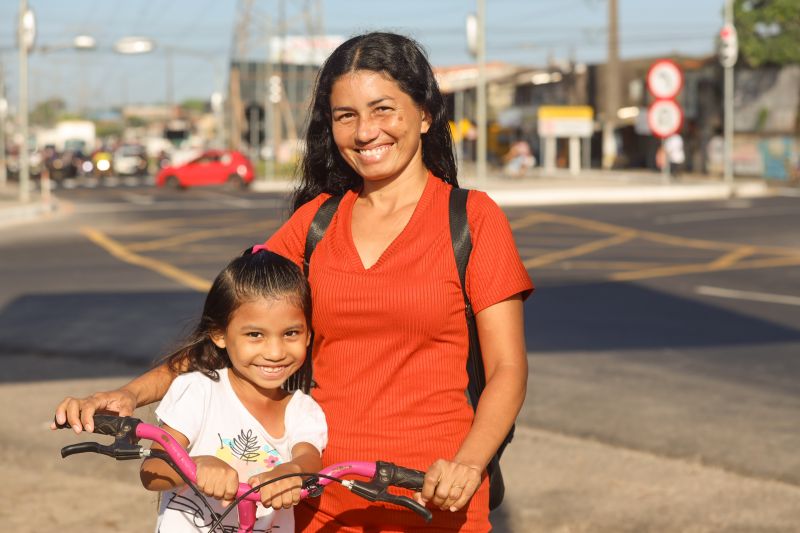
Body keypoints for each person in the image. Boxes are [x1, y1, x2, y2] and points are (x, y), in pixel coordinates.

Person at [52, 31, 533, 532]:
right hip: (314, 494)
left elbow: (506, 368)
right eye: (346, 116)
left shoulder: (473, 220)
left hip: (434, 493)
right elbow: (236, 333)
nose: (366, 132)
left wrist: (470, 463)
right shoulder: (314, 225)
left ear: (425, 113)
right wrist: (132, 394)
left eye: (384, 109)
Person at [140, 248, 327, 532]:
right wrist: (195, 465)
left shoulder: (303, 410)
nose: (275, 352)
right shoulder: (199, 390)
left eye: (291, 333)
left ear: (308, 335)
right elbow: (152, 470)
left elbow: (309, 457)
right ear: (220, 334)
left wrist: (294, 471)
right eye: (255, 335)